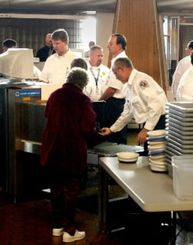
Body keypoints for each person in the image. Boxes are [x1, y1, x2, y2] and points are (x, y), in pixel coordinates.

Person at [40, 67, 103, 243]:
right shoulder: (82, 99)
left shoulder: (54, 95)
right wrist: (97, 135)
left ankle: (57, 227)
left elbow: (48, 115)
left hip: (52, 148)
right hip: (71, 150)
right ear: (82, 84)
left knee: (56, 188)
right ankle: (70, 230)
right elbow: (86, 127)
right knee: (70, 190)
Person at [100, 57, 167, 150]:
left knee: (156, 156)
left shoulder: (141, 81)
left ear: (121, 69)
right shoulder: (128, 86)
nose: (116, 77)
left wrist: (146, 130)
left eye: (115, 73)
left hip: (159, 122)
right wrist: (111, 129)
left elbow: (156, 106)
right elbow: (127, 113)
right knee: (148, 155)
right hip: (150, 123)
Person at [99, 33, 129, 144]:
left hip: (115, 104)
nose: (108, 46)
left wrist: (100, 100)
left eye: (110, 44)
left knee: (115, 138)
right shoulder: (116, 60)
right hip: (113, 103)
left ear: (120, 46)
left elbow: (112, 89)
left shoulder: (120, 61)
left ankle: (117, 160)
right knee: (112, 136)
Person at [84, 45, 110, 130]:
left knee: (101, 130)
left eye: (102, 56)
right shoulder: (84, 69)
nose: (101, 58)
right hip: (87, 105)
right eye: (98, 56)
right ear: (91, 56)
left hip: (102, 105)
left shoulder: (106, 70)